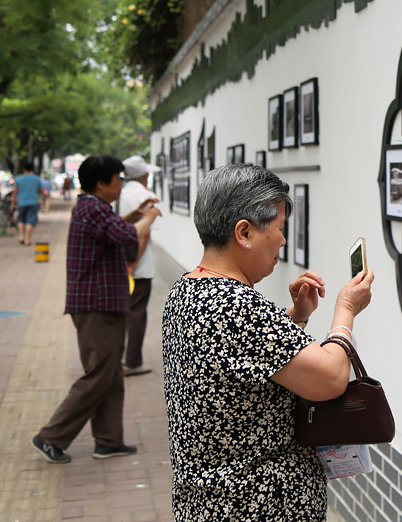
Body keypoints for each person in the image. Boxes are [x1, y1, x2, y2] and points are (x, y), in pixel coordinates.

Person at [162, 163, 375, 521]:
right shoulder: (237, 305)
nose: (283, 241)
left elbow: (247, 364)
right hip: (256, 505)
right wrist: (346, 311)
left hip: (208, 502)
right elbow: (330, 379)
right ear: (244, 232)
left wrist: (295, 316)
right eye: (278, 229)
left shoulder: (188, 289)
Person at [32, 155, 161, 464]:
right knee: (98, 374)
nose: (121, 184)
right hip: (96, 306)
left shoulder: (96, 208)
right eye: (117, 180)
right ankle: (51, 435)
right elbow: (128, 235)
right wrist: (150, 217)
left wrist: (137, 213)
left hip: (105, 304)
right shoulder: (91, 208)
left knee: (111, 374)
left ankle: (108, 440)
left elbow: (118, 227)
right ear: (101, 184)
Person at [118, 155, 163, 376]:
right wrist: (133, 263)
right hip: (139, 267)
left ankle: (113, 359)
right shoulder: (147, 196)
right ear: (144, 176)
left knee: (118, 313)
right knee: (136, 313)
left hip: (116, 266)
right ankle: (132, 362)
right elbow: (143, 235)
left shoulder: (116, 194)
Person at [12, 162, 42, 246]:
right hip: (33, 203)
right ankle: (27, 240)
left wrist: (13, 203)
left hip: (21, 202)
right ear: (32, 169)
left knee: (21, 219)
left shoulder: (18, 178)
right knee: (30, 221)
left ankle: (21, 236)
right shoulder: (36, 179)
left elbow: (15, 192)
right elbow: (41, 190)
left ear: (24, 169)